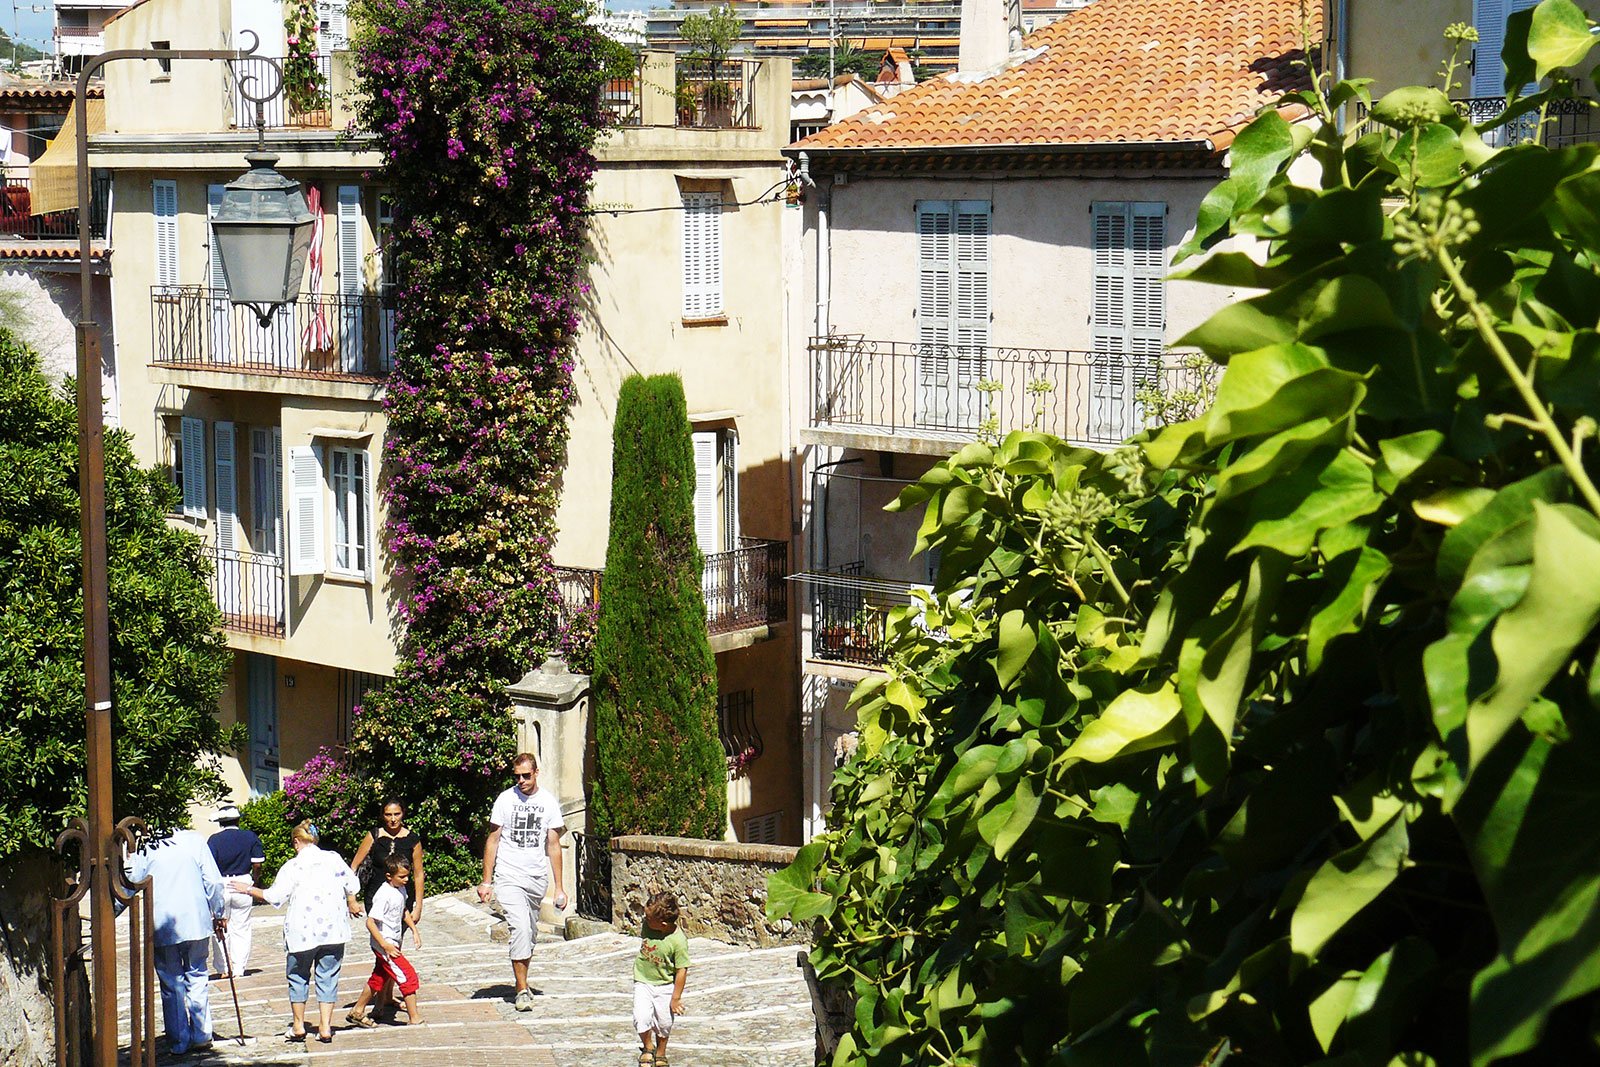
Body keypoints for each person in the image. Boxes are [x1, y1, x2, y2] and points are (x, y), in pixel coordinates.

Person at [231, 820, 362, 1044]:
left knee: (298, 976)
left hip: (302, 932)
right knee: (328, 976)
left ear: (296, 842)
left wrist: (248, 889)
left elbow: (275, 897)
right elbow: (353, 885)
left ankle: (299, 1025)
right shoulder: (333, 859)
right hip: (334, 930)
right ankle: (325, 1027)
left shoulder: (292, 866)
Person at [477, 752, 567, 1011]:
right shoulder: (505, 799)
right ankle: (521, 989)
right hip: (509, 874)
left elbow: (553, 844)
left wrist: (559, 886)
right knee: (520, 928)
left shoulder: (548, 802)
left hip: (536, 877)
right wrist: (487, 881)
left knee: (530, 930)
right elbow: (493, 840)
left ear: (536, 773)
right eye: (517, 776)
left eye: (526, 776)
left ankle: (522, 979)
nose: (522, 781)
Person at [127, 829, 227, 1057]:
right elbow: (212, 881)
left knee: (172, 983)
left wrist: (110, 910)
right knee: (197, 975)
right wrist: (219, 911)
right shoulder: (195, 841)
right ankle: (202, 1034)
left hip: (163, 923)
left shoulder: (148, 846)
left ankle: (179, 1040)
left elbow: (131, 882)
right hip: (196, 920)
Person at [347, 797, 424, 1017]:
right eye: (388, 815)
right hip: (377, 898)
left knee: (394, 946)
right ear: (383, 815)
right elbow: (354, 866)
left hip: (402, 899)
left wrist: (418, 905)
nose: (392, 819)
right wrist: (352, 898)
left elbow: (418, 874)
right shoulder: (374, 836)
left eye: (396, 814)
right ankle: (377, 1000)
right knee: (385, 947)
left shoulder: (412, 839)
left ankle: (384, 997)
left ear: (403, 814)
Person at [346, 856, 425, 1029]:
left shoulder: (400, 889)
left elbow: (403, 910)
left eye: (407, 876)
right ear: (389, 876)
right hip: (385, 944)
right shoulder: (383, 894)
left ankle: (358, 1010)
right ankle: (414, 1017)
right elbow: (370, 922)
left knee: (380, 976)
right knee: (407, 976)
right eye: (402, 877)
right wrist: (385, 945)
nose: (406, 880)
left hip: (393, 942)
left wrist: (414, 929)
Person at [207, 802, 264, 979]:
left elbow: (209, 868)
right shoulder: (250, 837)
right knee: (242, 927)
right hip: (243, 882)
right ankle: (239, 968)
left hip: (221, 884)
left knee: (220, 927)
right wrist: (254, 881)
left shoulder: (213, 840)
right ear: (238, 820)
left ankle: (224, 968)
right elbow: (257, 863)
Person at [633, 891, 690, 1067]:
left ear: (663, 924)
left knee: (664, 1023)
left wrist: (675, 998)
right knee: (641, 1017)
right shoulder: (648, 925)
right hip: (643, 979)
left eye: (648, 917)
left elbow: (681, 970)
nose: (645, 919)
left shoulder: (678, 941)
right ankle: (648, 1046)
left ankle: (661, 1052)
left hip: (665, 984)